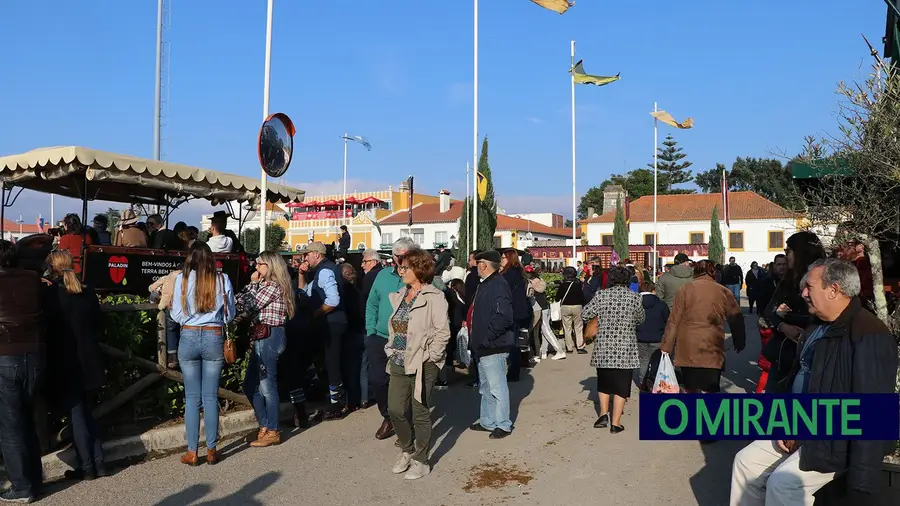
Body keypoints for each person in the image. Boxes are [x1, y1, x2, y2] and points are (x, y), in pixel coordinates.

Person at [730, 259, 899, 506]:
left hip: (837, 441)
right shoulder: (816, 327)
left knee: (784, 484)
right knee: (745, 462)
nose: (803, 293)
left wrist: (862, 482)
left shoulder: (869, 335)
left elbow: (872, 411)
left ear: (834, 289)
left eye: (809, 286)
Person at [385, 249, 450, 480]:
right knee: (395, 409)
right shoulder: (401, 294)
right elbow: (395, 327)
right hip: (398, 360)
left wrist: (432, 356)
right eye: (400, 267)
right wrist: (390, 348)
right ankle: (407, 448)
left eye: (405, 267)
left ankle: (421, 460)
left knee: (420, 412)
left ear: (419, 270)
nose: (400, 271)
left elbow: (443, 332)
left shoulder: (434, 297)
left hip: (423, 362)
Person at [170, 242, 236, 465]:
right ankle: (211, 450)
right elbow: (230, 314)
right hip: (213, 335)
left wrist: (190, 320)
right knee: (210, 397)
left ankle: (192, 452)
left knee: (191, 398)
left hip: (188, 335)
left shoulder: (182, 279)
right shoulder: (222, 279)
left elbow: (176, 314)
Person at [44, 251, 107, 481]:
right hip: (90, 358)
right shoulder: (86, 290)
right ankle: (99, 463)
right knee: (89, 414)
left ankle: (87, 466)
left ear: (53, 268)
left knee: (77, 415)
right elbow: (99, 321)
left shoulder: (52, 293)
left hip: (66, 359)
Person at [0, 241, 45, 503]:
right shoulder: (33, 279)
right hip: (35, 354)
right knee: (28, 421)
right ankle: (35, 481)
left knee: (10, 427)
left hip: (5, 354)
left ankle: (21, 486)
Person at [660, 260, 746, 394]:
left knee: (690, 387)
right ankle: (708, 413)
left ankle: (692, 412)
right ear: (714, 272)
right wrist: (739, 340)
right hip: (712, 345)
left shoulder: (685, 290)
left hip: (688, 346)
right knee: (711, 387)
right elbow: (736, 318)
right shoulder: (722, 291)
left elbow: (674, 321)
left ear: (695, 272)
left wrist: (666, 346)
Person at [236, 250, 295, 446]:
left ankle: (273, 429)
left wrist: (252, 284)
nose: (256, 267)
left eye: (260, 264)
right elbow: (239, 300)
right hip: (263, 335)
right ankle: (265, 424)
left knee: (267, 385)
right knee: (250, 383)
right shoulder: (265, 285)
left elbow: (249, 303)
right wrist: (252, 287)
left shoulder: (273, 285)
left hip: (270, 335)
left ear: (270, 266)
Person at [581, 266, 645, 433]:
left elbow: (585, 313)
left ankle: (603, 414)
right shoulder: (634, 297)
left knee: (604, 383)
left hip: (604, 346)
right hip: (626, 347)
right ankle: (616, 423)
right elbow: (640, 319)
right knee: (622, 386)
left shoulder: (601, 295)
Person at [365, 237, 418, 439]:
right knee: (378, 380)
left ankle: (406, 421)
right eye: (397, 255)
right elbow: (372, 304)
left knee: (404, 383)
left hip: (405, 339)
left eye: (405, 255)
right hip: (379, 337)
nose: (400, 259)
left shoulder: (420, 276)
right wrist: (370, 331)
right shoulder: (382, 276)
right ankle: (389, 416)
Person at [763, 231, 826, 393]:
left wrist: (790, 316)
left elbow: (824, 315)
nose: (785, 258)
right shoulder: (789, 279)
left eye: (788, 252)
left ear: (801, 252)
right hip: (783, 356)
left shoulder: (826, 276)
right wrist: (783, 326)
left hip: (813, 356)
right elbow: (769, 312)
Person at [298, 242, 348, 420]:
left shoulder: (325, 271)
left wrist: (315, 314)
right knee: (327, 362)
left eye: (307, 254)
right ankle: (333, 399)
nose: (305, 258)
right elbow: (304, 292)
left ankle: (337, 403)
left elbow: (333, 300)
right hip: (329, 323)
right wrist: (301, 274)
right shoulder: (320, 272)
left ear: (317, 255)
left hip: (332, 324)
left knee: (332, 362)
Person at [468, 250, 515, 439]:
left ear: (484, 265)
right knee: (486, 387)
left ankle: (503, 424)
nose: (475, 266)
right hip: (484, 345)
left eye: (478, 262)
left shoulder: (498, 285)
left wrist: (487, 337)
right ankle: (488, 421)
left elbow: (504, 316)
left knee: (497, 387)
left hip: (494, 345)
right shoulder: (487, 284)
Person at [340, 263, 366, 411]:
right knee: (362, 369)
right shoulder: (359, 293)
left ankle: (351, 401)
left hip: (349, 333)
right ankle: (363, 399)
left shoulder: (343, 293)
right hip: (361, 331)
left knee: (350, 370)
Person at [500, 250, 529, 381]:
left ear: (509, 259)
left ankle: (512, 372)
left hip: (512, 312)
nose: (501, 260)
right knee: (515, 342)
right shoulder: (519, 272)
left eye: (503, 258)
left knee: (511, 344)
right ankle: (514, 370)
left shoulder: (509, 274)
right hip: (520, 312)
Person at [635, 280, 669, 390]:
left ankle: (642, 382)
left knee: (643, 360)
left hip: (640, 337)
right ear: (653, 290)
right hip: (657, 337)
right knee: (656, 361)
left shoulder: (635, 303)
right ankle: (653, 380)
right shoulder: (661, 304)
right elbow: (667, 320)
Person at [439, 278, 467, 388]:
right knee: (458, 344)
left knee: (450, 347)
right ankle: (462, 361)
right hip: (461, 322)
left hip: (453, 321)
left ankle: (450, 367)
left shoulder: (451, 294)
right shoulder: (464, 294)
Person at [557, 266, 587, 354]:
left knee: (567, 328)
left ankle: (569, 348)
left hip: (565, 307)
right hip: (577, 307)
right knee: (578, 327)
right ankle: (580, 347)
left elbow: (557, 297)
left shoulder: (562, 285)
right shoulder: (577, 285)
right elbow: (582, 297)